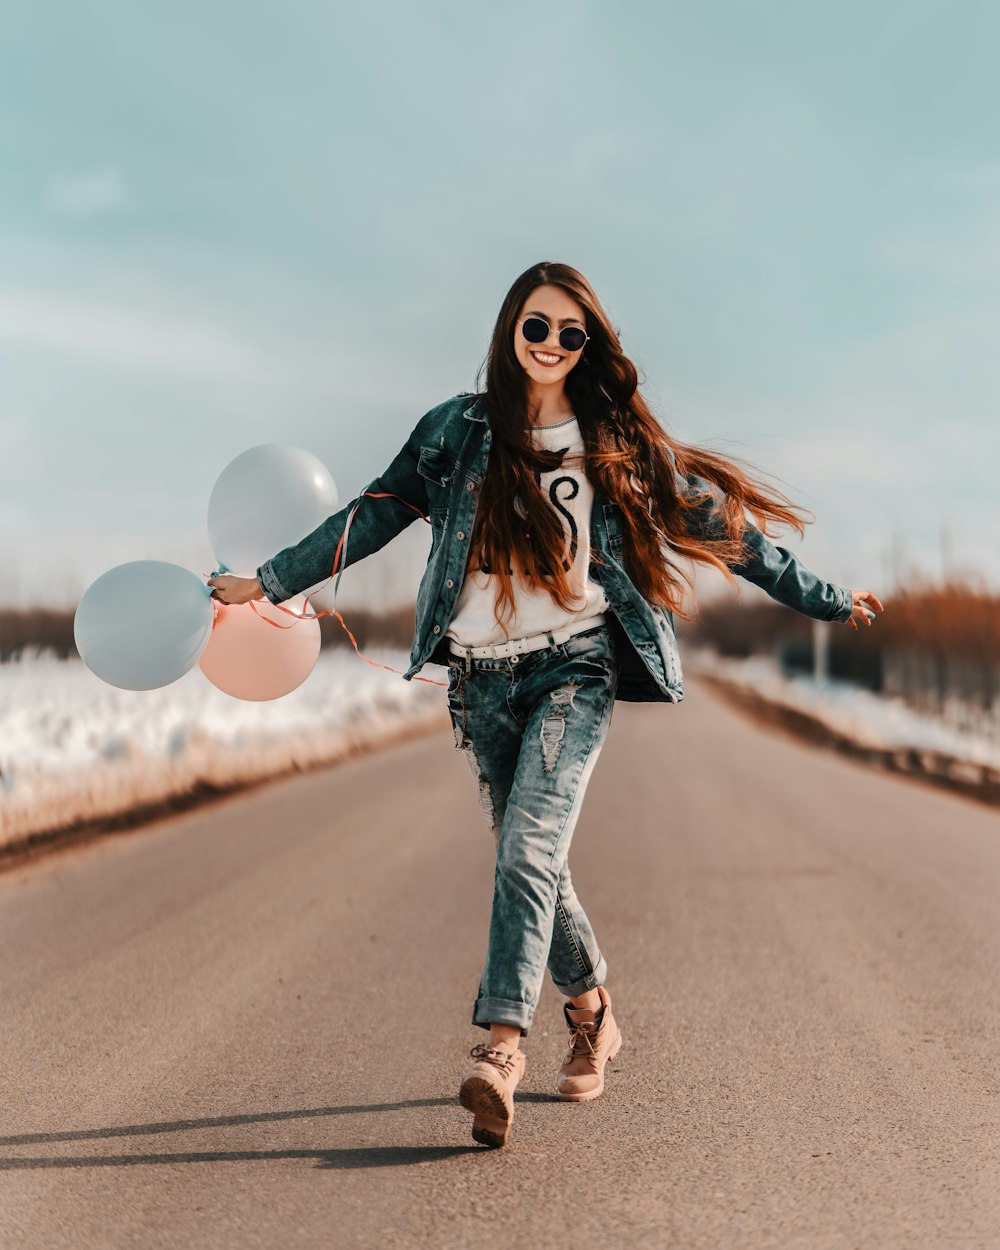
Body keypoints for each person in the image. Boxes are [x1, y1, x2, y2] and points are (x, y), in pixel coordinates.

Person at [208, 260, 884, 1149]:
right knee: (537, 865)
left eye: (573, 333)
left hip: (574, 667)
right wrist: (268, 582)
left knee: (528, 846)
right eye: (539, 326)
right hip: (480, 677)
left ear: (591, 345)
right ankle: (595, 1010)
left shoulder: (615, 441)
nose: (554, 345)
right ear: (509, 330)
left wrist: (825, 598)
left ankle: (499, 1051)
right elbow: (368, 519)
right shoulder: (454, 431)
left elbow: (727, 528)